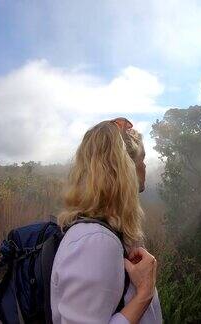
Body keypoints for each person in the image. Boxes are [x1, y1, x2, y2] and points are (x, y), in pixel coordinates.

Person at [51, 117, 162, 324]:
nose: (145, 166)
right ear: (125, 170)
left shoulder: (107, 233)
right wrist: (144, 294)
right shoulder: (95, 242)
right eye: (142, 159)